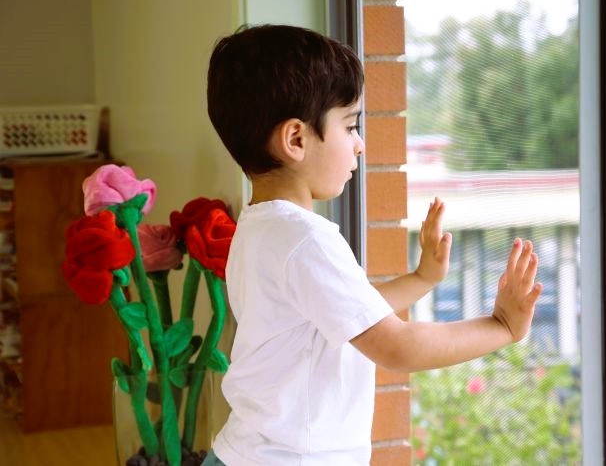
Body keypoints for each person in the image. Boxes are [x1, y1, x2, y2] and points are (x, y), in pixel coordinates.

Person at [202, 24, 544, 466]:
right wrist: (501, 326)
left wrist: (421, 279)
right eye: (349, 125)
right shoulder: (306, 239)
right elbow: (395, 346)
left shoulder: (260, 229)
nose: (360, 144)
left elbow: (345, 315)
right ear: (296, 139)